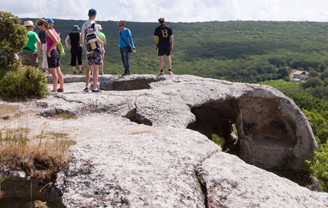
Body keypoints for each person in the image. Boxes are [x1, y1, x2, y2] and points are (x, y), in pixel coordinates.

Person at [37, 19, 64, 93]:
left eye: (40, 27)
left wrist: (49, 50)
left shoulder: (48, 31)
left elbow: (55, 41)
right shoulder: (53, 29)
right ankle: (61, 87)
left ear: (43, 25)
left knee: (53, 72)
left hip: (52, 52)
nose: (40, 29)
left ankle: (54, 89)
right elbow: (58, 39)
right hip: (56, 52)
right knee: (58, 71)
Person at [81, 8, 104, 92]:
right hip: (95, 48)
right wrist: (101, 42)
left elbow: (82, 38)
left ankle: (87, 87)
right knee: (96, 68)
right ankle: (94, 87)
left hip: (88, 48)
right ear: (95, 15)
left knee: (88, 68)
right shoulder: (94, 24)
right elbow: (96, 36)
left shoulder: (84, 25)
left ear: (88, 15)